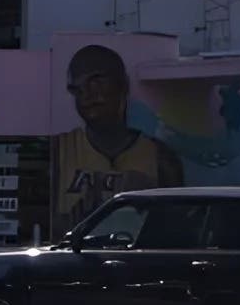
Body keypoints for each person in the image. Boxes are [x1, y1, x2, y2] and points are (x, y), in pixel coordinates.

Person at [50, 43, 185, 233]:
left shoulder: (161, 159)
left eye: (96, 82)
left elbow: (177, 231)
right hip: (73, 260)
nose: (87, 95)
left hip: (135, 261)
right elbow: (30, 225)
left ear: (123, 84)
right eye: (78, 89)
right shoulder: (57, 151)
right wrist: (78, 219)